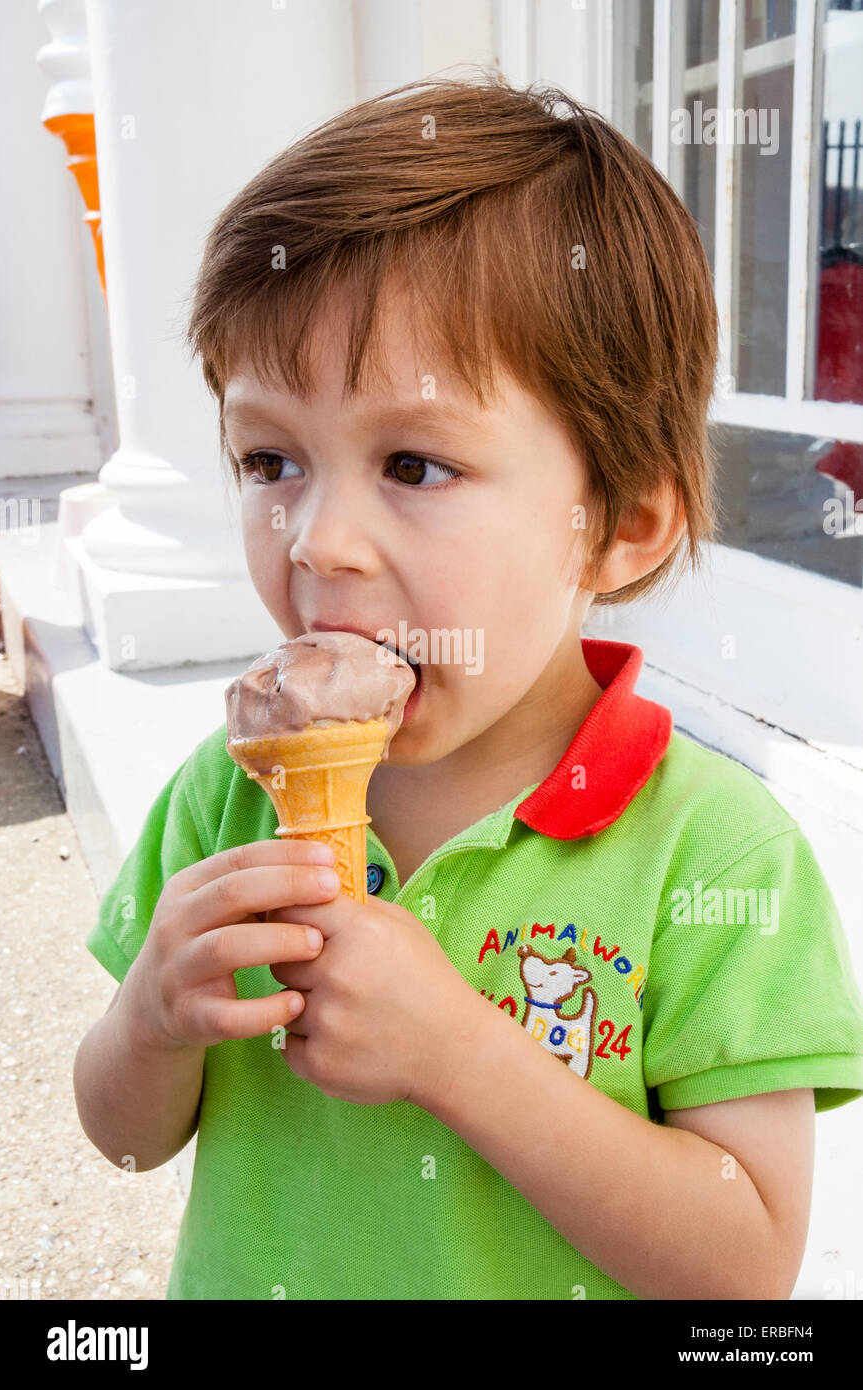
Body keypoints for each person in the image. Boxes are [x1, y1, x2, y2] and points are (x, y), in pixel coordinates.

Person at [73, 73, 863, 1300]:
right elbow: (125, 1138)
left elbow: (742, 1268)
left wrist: (459, 1056)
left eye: (413, 462)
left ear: (621, 525)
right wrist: (150, 1025)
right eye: (268, 457)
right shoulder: (222, 804)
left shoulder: (713, 857)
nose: (316, 539)